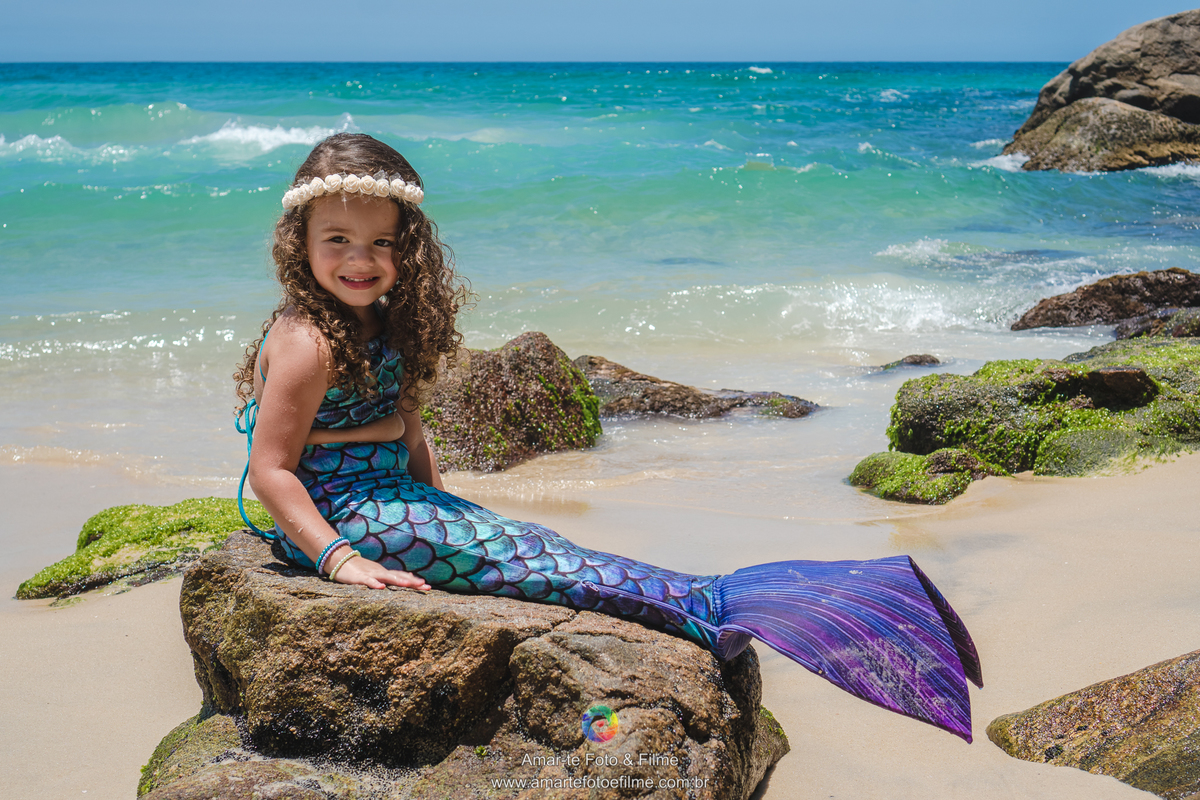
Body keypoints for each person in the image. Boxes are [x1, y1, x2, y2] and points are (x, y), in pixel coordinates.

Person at [235, 132, 983, 742]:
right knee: (519, 564)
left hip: (394, 499)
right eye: (337, 239)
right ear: (300, 242)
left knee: (530, 545)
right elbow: (270, 469)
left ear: (411, 248)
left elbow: (411, 427)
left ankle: (716, 599)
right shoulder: (306, 340)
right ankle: (709, 608)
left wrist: (448, 508)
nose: (360, 260)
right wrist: (338, 561)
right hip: (340, 516)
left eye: (381, 242)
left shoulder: (382, 321)